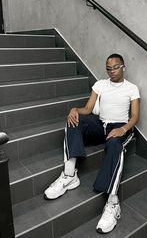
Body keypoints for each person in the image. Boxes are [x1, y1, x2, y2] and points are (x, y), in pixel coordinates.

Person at [44, 53, 140, 234]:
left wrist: (123, 129)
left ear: (123, 67)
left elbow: (135, 116)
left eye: (115, 67)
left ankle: (113, 202)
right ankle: (69, 174)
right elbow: (88, 109)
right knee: (74, 119)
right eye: (108, 68)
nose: (112, 71)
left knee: (114, 145)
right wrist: (74, 109)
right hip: (100, 125)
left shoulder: (131, 88)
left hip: (119, 127)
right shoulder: (100, 85)